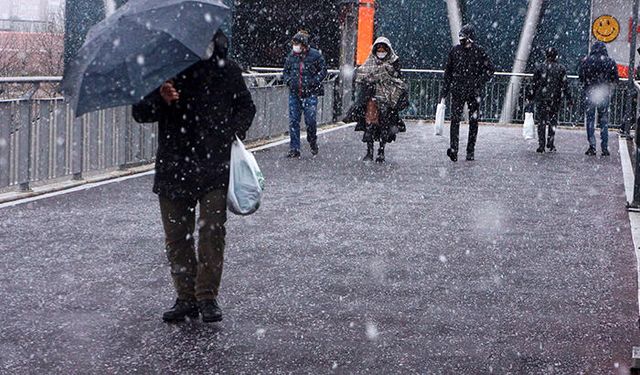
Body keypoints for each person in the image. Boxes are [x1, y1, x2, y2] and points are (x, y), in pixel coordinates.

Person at [132, 31, 256, 323]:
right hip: (174, 164)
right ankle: (185, 297)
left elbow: (246, 107)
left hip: (213, 165)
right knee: (177, 237)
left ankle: (207, 297)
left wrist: (226, 134)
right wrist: (160, 99)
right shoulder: (166, 69)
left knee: (212, 231)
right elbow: (140, 112)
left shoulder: (227, 69)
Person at [343, 37, 408, 163]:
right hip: (371, 97)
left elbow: (397, 79)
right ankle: (369, 151)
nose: (381, 52)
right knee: (370, 124)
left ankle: (381, 150)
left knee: (385, 123)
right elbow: (362, 74)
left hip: (388, 98)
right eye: (379, 49)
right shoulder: (370, 61)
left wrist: (384, 79)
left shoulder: (394, 62)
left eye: (384, 50)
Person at [441, 24, 495, 162]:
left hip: (468, 90)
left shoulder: (474, 52)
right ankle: (456, 149)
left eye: (463, 38)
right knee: (461, 120)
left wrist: (478, 82)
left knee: (467, 121)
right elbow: (448, 73)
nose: (461, 40)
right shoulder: (459, 51)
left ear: (470, 38)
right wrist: (444, 92)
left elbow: (490, 70)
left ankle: (466, 150)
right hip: (463, 91)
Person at [282, 30, 327, 158]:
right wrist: (289, 81)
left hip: (310, 93)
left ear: (304, 44)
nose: (295, 46)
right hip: (295, 93)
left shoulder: (315, 55)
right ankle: (294, 148)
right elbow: (285, 71)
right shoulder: (291, 56)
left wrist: (314, 82)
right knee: (294, 121)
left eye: (297, 43)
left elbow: (323, 71)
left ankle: (312, 140)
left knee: (310, 120)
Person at [527, 47, 573, 153]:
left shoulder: (540, 67)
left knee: (541, 122)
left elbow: (534, 84)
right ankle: (550, 143)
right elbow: (565, 85)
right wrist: (569, 98)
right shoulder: (561, 68)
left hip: (542, 98)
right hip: (555, 98)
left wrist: (530, 96)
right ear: (556, 56)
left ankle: (541, 145)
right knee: (553, 121)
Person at [578, 41, 619, 156]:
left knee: (590, 120)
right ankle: (604, 147)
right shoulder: (610, 61)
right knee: (604, 121)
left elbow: (581, 76)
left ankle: (592, 146)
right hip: (604, 93)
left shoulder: (586, 61)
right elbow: (615, 79)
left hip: (590, 93)